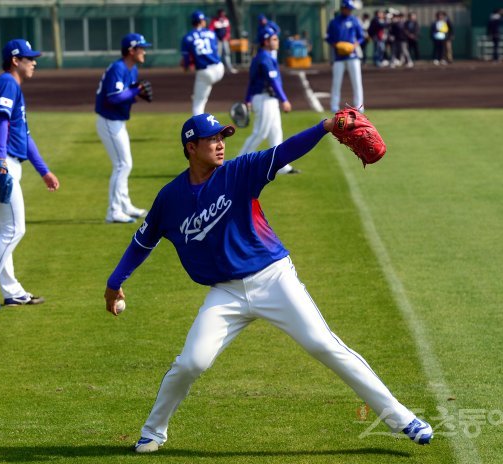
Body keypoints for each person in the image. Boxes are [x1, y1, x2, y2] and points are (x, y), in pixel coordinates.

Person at [103, 112, 434, 453]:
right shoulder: (170, 198)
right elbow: (142, 242)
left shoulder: (239, 171)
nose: (221, 144)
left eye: (222, 137)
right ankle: (153, 431)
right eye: (212, 139)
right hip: (226, 293)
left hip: (273, 278)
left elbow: (284, 151)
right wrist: (115, 283)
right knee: (191, 363)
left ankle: (401, 418)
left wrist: (324, 127)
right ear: (191, 147)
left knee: (323, 345)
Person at [0, 38, 60, 310]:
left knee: (3, 232)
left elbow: (25, 136)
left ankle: (12, 291)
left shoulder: (11, 85)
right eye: (29, 58)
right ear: (15, 60)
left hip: (1, 159)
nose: (34, 63)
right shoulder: (8, 82)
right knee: (15, 229)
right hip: (1, 160)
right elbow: (1, 120)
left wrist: (44, 171)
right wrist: (0, 160)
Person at [95, 33, 151, 224]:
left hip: (117, 121)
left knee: (125, 163)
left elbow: (125, 95)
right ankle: (113, 211)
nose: (144, 52)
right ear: (131, 50)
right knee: (122, 165)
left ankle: (125, 205)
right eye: (141, 48)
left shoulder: (131, 68)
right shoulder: (118, 68)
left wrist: (136, 95)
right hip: (109, 121)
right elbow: (113, 97)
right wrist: (136, 91)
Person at [237, 26, 298, 175]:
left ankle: (281, 166)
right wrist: (284, 100)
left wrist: (248, 99)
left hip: (268, 99)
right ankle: (237, 165)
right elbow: (273, 82)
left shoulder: (262, 56)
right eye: (274, 39)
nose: (277, 41)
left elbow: (252, 81)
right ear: (265, 41)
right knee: (260, 133)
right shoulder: (264, 58)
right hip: (264, 100)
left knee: (276, 133)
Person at [181, 10, 225, 115]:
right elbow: (214, 50)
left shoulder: (187, 37)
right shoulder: (211, 33)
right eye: (204, 20)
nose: (205, 22)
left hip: (205, 72)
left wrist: (186, 66)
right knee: (204, 92)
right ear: (201, 21)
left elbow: (186, 59)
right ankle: (201, 94)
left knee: (198, 103)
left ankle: (199, 123)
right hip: (219, 68)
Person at [326, 0, 365, 113]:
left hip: (353, 56)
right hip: (339, 57)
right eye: (348, 8)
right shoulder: (334, 22)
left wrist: (354, 45)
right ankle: (334, 106)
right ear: (342, 8)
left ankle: (359, 107)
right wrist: (336, 45)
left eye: (350, 9)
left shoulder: (354, 20)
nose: (349, 11)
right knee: (336, 83)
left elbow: (361, 37)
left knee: (357, 82)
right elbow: (328, 37)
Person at [209, 9, 237, 74]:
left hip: (225, 40)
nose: (222, 15)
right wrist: (215, 38)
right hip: (218, 40)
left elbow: (228, 30)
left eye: (223, 14)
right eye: (221, 14)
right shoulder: (214, 21)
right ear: (218, 14)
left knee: (227, 53)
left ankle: (229, 68)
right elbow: (211, 30)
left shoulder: (226, 20)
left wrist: (227, 37)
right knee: (218, 54)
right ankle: (217, 69)